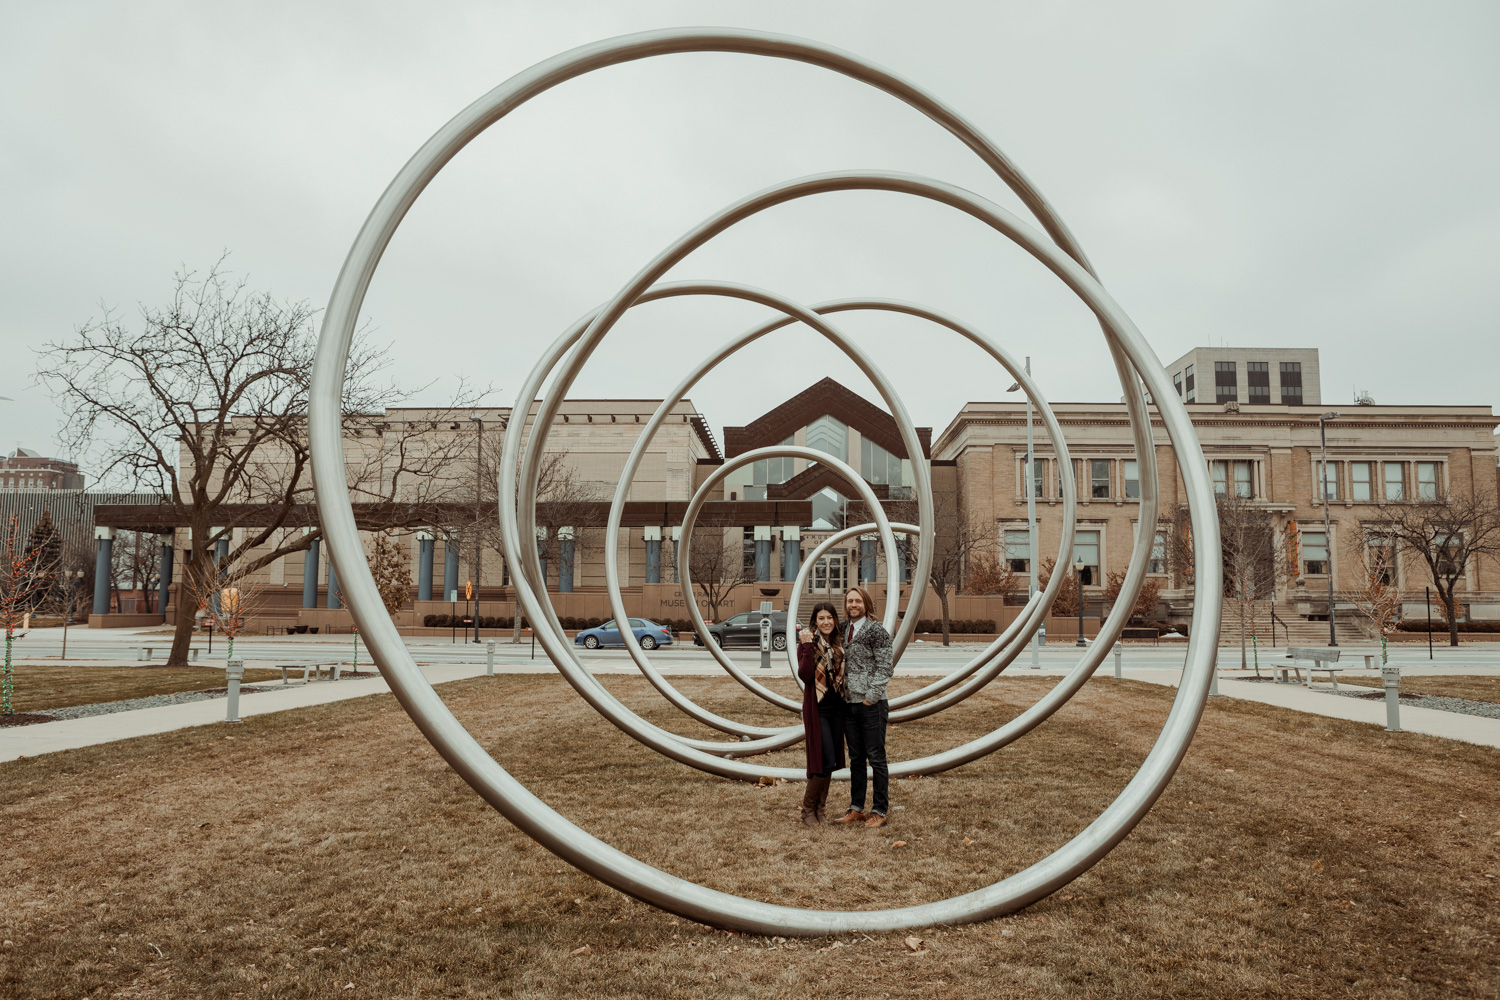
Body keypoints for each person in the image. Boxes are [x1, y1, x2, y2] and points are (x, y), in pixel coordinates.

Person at [831, 585, 894, 828]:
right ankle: (856, 807)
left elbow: (885, 666)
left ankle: (879, 810)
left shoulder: (876, 631)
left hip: (872, 704)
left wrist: (871, 696)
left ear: (866, 604)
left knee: (876, 757)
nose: (853, 605)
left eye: (858, 601)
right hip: (849, 703)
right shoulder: (843, 629)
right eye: (850, 601)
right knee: (856, 757)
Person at [795, 601, 846, 826]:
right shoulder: (808, 644)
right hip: (819, 709)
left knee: (832, 761)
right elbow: (806, 676)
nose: (826, 622)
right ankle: (807, 811)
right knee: (823, 760)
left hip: (838, 709)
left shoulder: (838, 644)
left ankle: (820, 810)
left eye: (829, 617)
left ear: (834, 620)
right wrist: (806, 647)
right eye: (821, 618)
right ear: (814, 621)